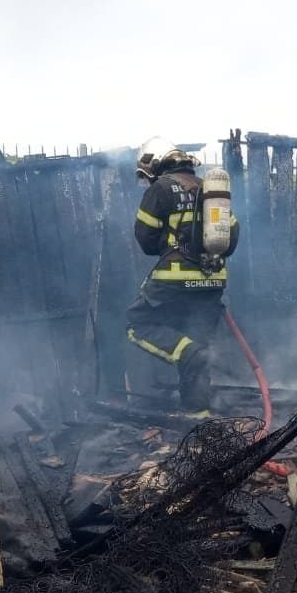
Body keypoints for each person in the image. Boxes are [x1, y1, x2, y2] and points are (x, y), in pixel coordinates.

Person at [125, 137, 240, 417]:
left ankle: (188, 353)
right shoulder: (211, 190)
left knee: (137, 324)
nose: (147, 180)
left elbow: (146, 240)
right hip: (212, 283)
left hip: (174, 281)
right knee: (197, 346)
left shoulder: (161, 189)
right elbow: (232, 239)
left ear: (156, 164)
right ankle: (198, 420)